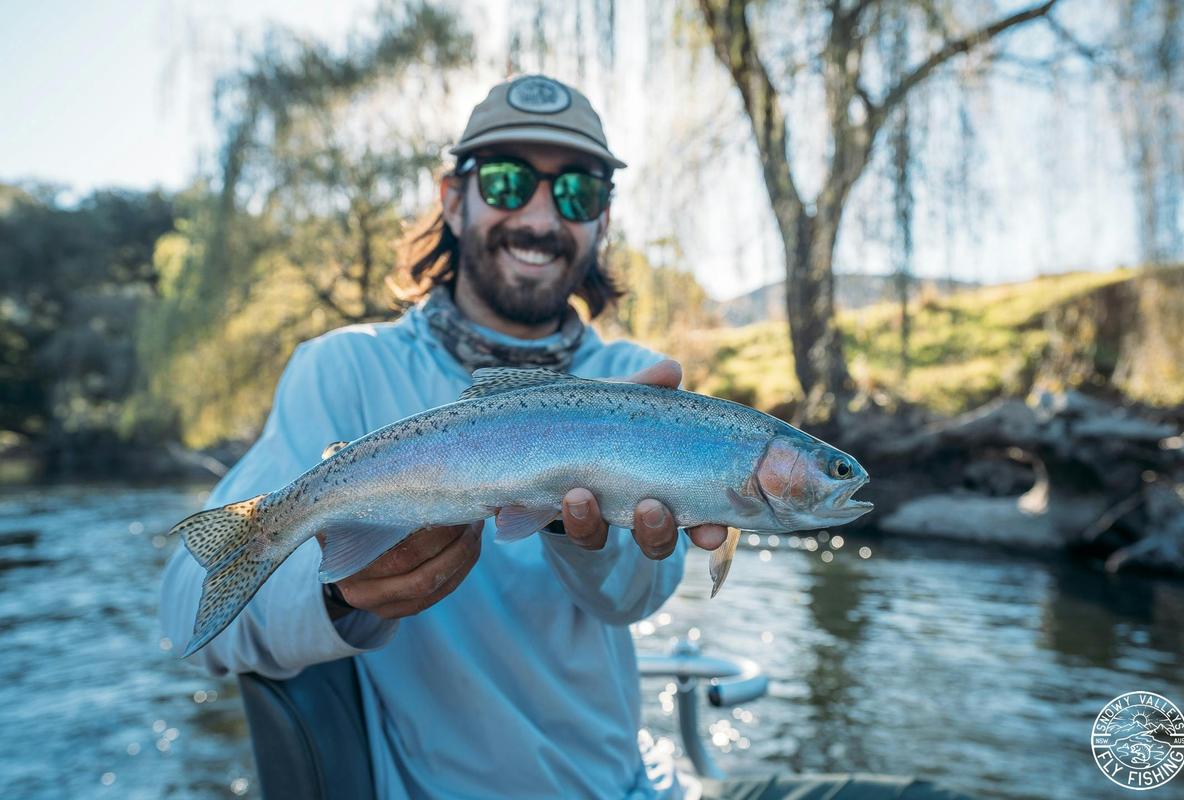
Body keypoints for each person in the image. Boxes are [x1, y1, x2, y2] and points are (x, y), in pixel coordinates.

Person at [161, 74, 970, 800]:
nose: (542, 216)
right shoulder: (342, 370)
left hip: (629, 788)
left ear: (601, 220)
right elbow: (187, 612)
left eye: (578, 192)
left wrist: (581, 537)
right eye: (508, 182)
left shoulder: (638, 380)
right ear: (453, 198)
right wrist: (339, 591)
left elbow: (634, 599)